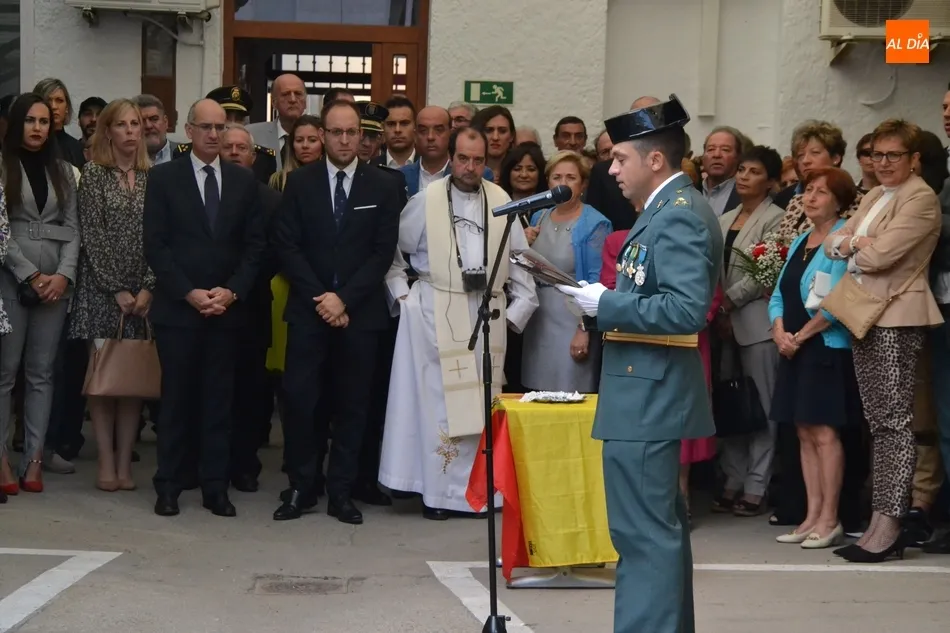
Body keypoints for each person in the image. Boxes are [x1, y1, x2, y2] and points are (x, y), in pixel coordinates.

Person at [557, 95, 722, 633]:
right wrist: (603, 302)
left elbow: (686, 309)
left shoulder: (677, 215)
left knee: (643, 536)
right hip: (646, 392)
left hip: (649, 397)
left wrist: (605, 305)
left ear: (655, 159)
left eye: (620, 158)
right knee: (654, 533)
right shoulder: (666, 210)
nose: (611, 170)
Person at [378, 127, 538, 520]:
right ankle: (437, 494)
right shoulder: (425, 200)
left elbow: (521, 263)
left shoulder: (501, 201)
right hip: (436, 316)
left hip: (486, 317)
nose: (470, 167)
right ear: (451, 158)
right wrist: (404, 299)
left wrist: (515, 314)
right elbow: (391, 252)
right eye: (463, 159)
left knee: (482, 405)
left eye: (478, 160)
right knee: (439, 407)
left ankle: (480, 491)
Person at [271, 99, 401, 525]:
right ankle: (301, 486)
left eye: (351, 132)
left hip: (360, 315)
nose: (345, 140)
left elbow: (382, 252)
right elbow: (287, 246)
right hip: (309, 312)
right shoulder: (299, 183)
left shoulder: (383, 186)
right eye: (336, 132)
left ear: (361, 135)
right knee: (301, 403)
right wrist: (323, 299)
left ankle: (341, 492)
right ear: (323, 136)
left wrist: (344, 299)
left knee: (353, 405)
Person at [823, 119, 942, 562]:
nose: (884, 163)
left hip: (897, 314)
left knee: (893, 422)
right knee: (878, 422)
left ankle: (890, 524)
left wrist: (853, 246)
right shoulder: (876, 194)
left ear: (914, 159)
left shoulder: (920, 197)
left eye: (894, 155)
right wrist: (857, 242)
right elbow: (833, 242)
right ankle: (878, 522)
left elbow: (879, 256)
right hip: (865, 310)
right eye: (877, 154)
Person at [143, 99, 265, 518]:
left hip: (226, 312)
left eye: (220, 127)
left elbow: (254, 247)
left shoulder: (243, 181)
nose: (214, 134)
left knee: (219, 402)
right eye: (206, 127)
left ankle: (216, 487)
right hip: (179, 311)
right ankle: (169, 485)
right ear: (189, 130)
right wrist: (188, 292)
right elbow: (155, 245)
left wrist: (231, 292)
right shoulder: (164, 178)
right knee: (176, 402)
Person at [768, 167, 864, 549]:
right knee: (803, 432)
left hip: (824, 347)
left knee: (824, 434)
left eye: (821, 192)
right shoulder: (801, 240)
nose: (810, 197)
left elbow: (838, 300)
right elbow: (779, 293)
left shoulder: (842, 240)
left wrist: (801, 336)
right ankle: (810, 515)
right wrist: (779, 331)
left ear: (839, 202)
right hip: (793, 347)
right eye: (808, 190)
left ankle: (830, 519)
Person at [68, 98, 154, 492]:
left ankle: (124, 462)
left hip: (143, 292)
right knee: (105, 377)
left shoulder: (153, 177)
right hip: (102, 291)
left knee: (133, 378)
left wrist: (148, 286)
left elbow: (162, 235)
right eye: (122, 124)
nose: (131, 131)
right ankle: (105, 459)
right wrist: (116, 288)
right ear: (107, 131)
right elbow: (93, 235)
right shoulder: (94, 175)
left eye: (135, 124)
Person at [0, 93, 79, 495]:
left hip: (55, 287)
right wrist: (29, 274)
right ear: (17, 124)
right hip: (11, 281)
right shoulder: (2, 166)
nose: (37, 128)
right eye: (30, 120)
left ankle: (33, 458)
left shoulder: (63, 171)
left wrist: (63, 275)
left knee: (42, 373)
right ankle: (1, 457)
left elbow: (74, 228)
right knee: (5, 372)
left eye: (44, 121)